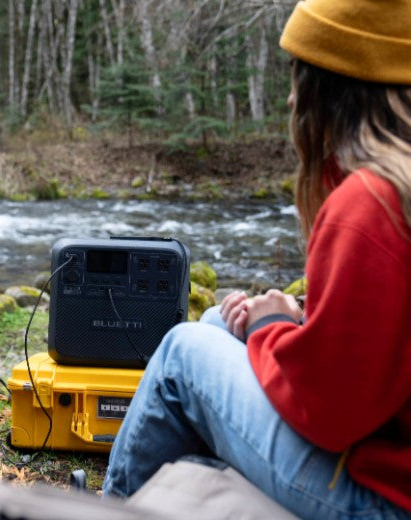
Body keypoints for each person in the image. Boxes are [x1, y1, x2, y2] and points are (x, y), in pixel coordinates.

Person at [102, 0, 411, 518]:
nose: (290, 97)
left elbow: (330, 412)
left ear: (327, 89)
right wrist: (301, 321)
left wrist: (271, 327)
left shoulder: (371, 204)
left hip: (379, 500)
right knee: (215, 322)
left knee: (182, 351)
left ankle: (106, 511)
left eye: (297, 76)